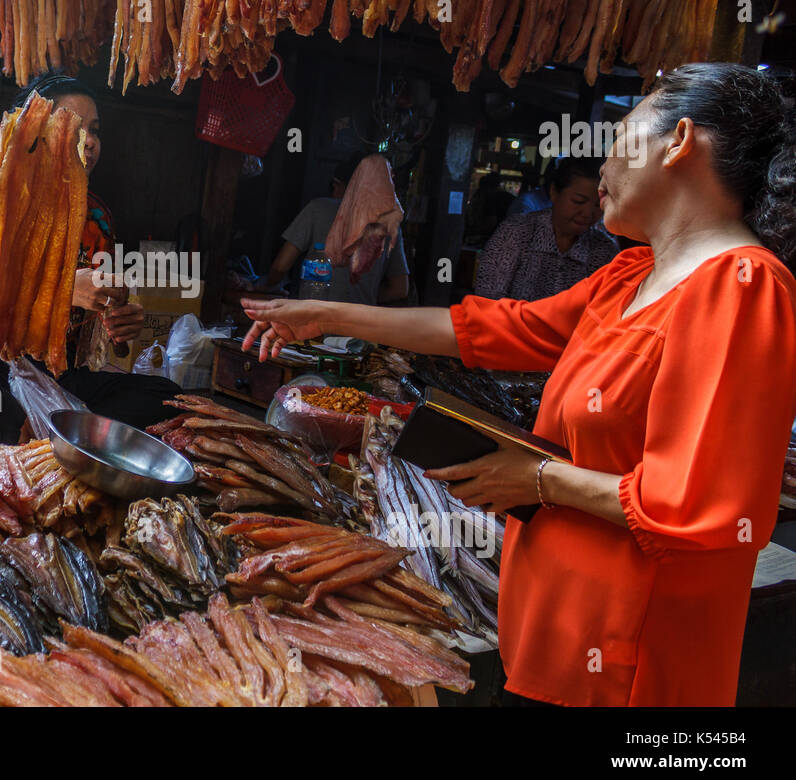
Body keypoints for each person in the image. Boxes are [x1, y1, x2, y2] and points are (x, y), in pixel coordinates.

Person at [240, 62, 796, 706]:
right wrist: (330, 315)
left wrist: (534, 479)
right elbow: (496, 328)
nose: (605, 161)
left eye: (622, 132)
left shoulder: (743, 288)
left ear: (678, 144)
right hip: (550, 640)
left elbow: (697, 507)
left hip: (629, 670)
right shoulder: (628, 276)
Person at [0, 74, 180, 445]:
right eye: (72, 126)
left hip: (62, 377)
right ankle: (46, 441)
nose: (89, 141)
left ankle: (39, 442)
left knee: (171, 399)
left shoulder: (95, 218)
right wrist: (64, 291)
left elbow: (97, 341)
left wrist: (118, 324)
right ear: (32, 131)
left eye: (95, 130)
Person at [258, 153, 409, 304]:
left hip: (313, 316)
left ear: (345, 185)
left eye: (335, 185)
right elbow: (400, 289)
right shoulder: (390, 225)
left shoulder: (318, 209)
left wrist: (265, 286)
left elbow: (280, 267)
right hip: (360, 322)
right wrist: (365, 301)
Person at [474, 156, 618, 300]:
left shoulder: (604, 250)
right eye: (578, 201)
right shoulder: (516, 233)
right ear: (554, 192)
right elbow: (487, 300)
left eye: (598, 204)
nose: (587, 213)